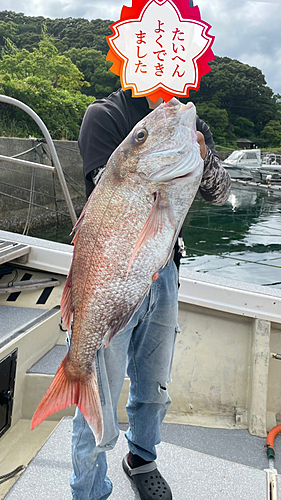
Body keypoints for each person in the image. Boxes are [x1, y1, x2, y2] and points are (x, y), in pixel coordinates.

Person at [70, 87, 231, 500]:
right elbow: (107, 194)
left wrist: (201, 154)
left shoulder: (188, 121)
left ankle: (141, 458)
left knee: (154, 384)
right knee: (97, 390)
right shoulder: (106, 114)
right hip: (113, 276)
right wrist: (160, 155)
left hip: (166, 270)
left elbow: (219, 192)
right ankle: (88, 489)